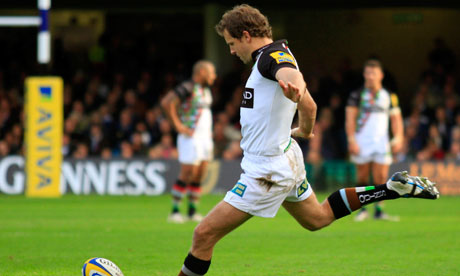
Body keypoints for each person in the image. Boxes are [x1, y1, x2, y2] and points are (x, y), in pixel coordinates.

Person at [177, 5, 439, 276]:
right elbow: (310, 106)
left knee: (203, 234)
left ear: (245, 36)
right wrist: (303, 128)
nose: (231, 50)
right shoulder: (271, 56)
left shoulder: (270, 57)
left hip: (266, 171)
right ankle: (391, 189)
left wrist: (296, 86)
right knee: (317, 218)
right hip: (284, 156)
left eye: (231, 43)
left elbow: (292, 76)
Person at [346, 59, 404, 221]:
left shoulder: (389, 96)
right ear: (365, 75)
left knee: (381, 177)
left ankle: (379, 210)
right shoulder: (357, 95)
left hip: (382, 142)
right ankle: (362, 209)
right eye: (368, 73)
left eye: (374, 73)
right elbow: (350, 118)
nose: (371, 76)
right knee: (363, 176)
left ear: (381, 75)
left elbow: (396, 119)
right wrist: (351, 140)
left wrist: (398, 137)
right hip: (362, 140)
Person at [162, 60, 217, 223]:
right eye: (211, 73)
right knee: (187, 173)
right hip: (190, 137)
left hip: (205, 137)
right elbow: (167, 102)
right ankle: (174, 211)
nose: (214, 77)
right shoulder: (188, 87)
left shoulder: (205, 90)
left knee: (200, 173)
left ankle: (192, 211)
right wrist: (178, 126)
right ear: (201, 73)